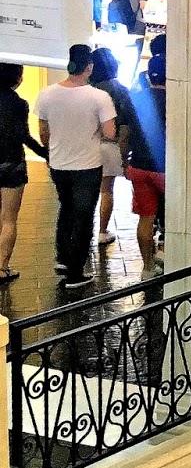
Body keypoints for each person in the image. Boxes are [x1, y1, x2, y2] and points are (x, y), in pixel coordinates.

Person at [36, 45, 117, 289]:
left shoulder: (46, 94)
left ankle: (62, 258)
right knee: (83, 217)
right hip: (88, 165)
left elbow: (43, 133)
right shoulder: (99, 97)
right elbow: (110, 133)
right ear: (89, 67)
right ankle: (75, 274)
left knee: (66, 209)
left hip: (59, 163)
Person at [0, 63, 45, 282]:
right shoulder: (19, 104)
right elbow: (24, 136)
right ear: (17, 78)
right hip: (12, 164)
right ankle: (1, 267)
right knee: (9, 219)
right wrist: (45, 153)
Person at [89, 47, 135, 247]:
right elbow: (125, 126)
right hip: (109, 145)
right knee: (106, 190)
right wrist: (123, 157)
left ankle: (83, 230)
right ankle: (102, 232)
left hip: (85, 144)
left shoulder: (85, 89)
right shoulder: (121, 91)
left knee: (85, 190)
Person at [125, 54, 167, 273]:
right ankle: (165, 254)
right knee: (172, 217)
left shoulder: (136, 100)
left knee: (145, 218)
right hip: (167, 170)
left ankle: (147, 268)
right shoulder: (177, 100)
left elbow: (124, 133)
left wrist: (124, 162)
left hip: (139, 166)